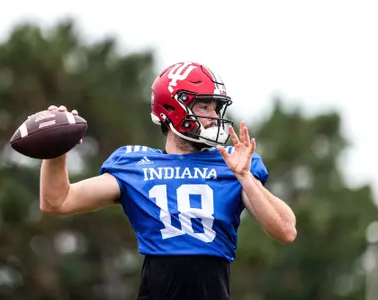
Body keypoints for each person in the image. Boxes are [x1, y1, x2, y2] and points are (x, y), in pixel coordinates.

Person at [39, 61, 297, 300]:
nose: (214, 116)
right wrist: (55, 149)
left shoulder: (231, 163)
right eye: (205, 106)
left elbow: (285, 230)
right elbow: (58, 201)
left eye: (216, 108)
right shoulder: (136, 165)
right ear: (173, 108)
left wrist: (245, 176)